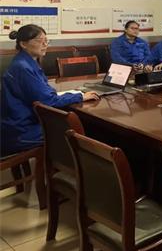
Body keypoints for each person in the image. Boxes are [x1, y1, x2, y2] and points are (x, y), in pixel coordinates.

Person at [1, 25, 99, 156]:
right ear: (23, 44)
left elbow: (45, 92)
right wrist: (80, 96)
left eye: (46, 41)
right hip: (22, 131)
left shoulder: (25, 62)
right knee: (79, 130)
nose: (45, 45)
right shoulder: (23, 67)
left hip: (18, 125)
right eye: (40, 41)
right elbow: (48, 101)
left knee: (79, 125)